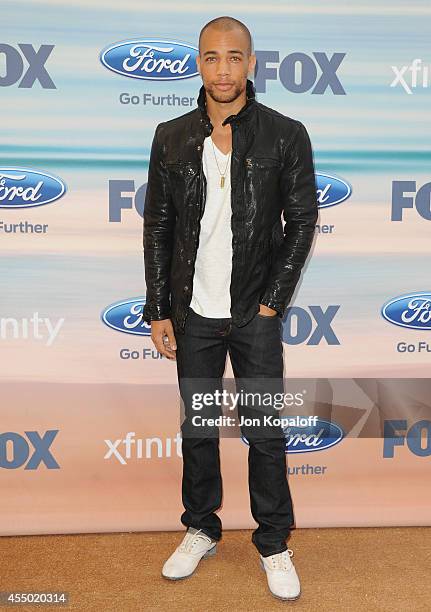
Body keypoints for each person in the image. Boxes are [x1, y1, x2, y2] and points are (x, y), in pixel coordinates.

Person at [143, 15, 318, 602]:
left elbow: (302, 222)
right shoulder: (170, 135)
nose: (223, 68)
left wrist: (272, 302)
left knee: (266, 431)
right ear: (199, 63)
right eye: (212, 57)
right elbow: (159, 225)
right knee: (198, 429)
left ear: (251, 64)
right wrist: (159, 307)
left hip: (253, 316)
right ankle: (200, 528)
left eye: (234, 57)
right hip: (193, 314)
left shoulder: (285, 134)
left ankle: (273, 542)